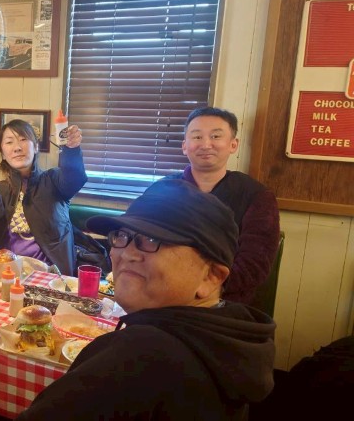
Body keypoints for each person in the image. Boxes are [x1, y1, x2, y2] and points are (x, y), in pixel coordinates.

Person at [18, 179, 276, 420]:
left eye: (153, 240)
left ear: (211, 277)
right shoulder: (233, 345)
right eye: (121, 235)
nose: (127, 253)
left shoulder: (141, 355)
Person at [166, 106, 281, 304]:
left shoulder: (256, 196)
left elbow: (255, 265)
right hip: (162, 291)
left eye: (216, 136)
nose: (206, 144)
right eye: (197, 137)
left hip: (223, 301)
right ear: (185, 146)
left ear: (233, 145)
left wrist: (199, 288)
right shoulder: (163, 189)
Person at [0, 120, 87, 275]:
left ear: (36, 147)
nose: (17, 147)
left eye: (23, 139)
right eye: (9, 142)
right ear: (3, 153)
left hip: (48, 275)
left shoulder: (54, 181)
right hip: (5, 272)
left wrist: (72, 151)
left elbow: (74, 179)